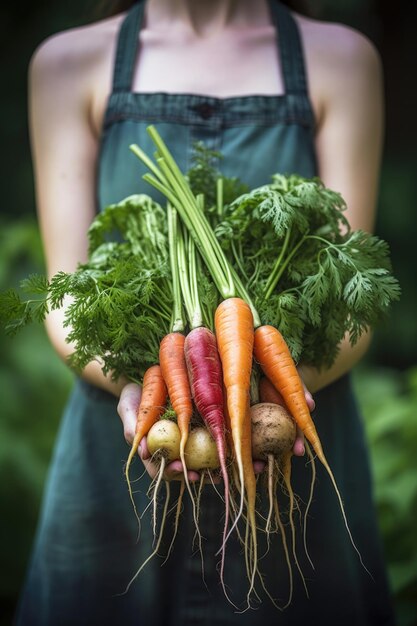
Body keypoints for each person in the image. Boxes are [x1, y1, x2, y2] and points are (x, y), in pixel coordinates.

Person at [15, 1, 396, 624]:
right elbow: (64, 297)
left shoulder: (342, 59)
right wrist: (145, 397)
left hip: (293, 444)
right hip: (122, 453)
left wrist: (261, 404)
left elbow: (354, 301)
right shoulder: (68, 63)